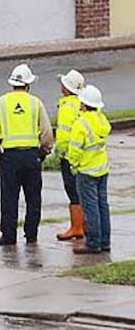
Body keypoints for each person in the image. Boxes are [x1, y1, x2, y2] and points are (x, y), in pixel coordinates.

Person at [0, 62, 53, 246]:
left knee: (9, 198)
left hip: (10, 157)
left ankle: (8, 236)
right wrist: (43, 151)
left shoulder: (2, 102)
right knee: (33, 198)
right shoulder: (36, 103)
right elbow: (47, 132)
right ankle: (31, 235)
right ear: (28, 84)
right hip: (31, 156)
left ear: (12, 84)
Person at [67, 83, 111, 255]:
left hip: (86, 171)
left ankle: (93, 243)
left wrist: (73, 165)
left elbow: (75, 150)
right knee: (102, 206)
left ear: (84, 104)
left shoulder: (81, 123)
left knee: (91, 207)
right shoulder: (102, 119)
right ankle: (105, 241)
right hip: (102, 169)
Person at [55, 68, 86, 241]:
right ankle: (86, 224)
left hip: (69, 156)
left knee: (73, 191)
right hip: (84, 155)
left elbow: (63, 134)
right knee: (84, 192)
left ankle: (76, 227)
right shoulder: (82, 103)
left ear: (67, 88)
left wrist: (59, 154)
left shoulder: (66, 106)